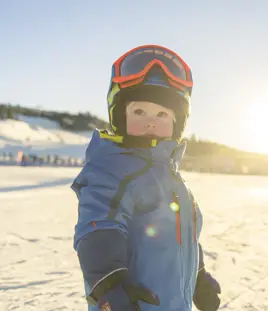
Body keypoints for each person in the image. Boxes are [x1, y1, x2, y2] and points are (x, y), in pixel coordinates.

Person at [71, 45, 221, 311]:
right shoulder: (111, 170)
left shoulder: (175, 181)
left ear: (178, 122)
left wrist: (198, 276)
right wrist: (110, 286)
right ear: (120, 115)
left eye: (162, 114)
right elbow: (98, 228)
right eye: (139, 112)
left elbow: (183, 236)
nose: (150, 122)